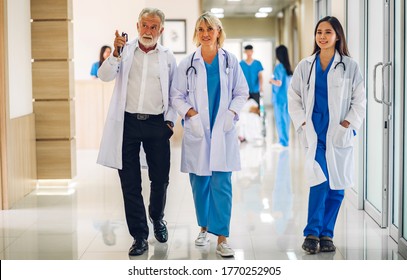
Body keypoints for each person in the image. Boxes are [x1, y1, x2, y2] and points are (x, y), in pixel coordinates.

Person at [97, 7, 178, 256]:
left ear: (161, 30)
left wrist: (169, 123)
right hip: (128, 124)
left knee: (160, 178)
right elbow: (104, 76)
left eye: (154, 27)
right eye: (145, 25)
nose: (148, 31)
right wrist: (116, 54)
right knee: (130, 183)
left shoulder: (167, 57)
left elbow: (174, 93)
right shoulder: (125, 51)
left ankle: (157, 218)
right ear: (137, 26)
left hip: (157, 124)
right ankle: (140, 236)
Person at [170, 12, 249, 257]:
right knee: (200, 183)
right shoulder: (188, 63)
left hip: (222, 129)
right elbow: (176, 96)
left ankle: (222, 237)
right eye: (201, 29)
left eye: (210, 29)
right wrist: (190, 114)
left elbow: (241, 91)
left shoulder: (230, 61)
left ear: (218, 32)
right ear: (197, 33)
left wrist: (231, 114)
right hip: (198, 129)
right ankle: (204, 228)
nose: (206, 34)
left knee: (222, 184)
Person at [288, 16, 366, 254]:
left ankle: (327, 234)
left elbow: (359, 99)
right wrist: (302, 123)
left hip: (337, 132)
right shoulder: (306, 65)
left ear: (337, 36)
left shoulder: (350, 66)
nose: (322, 36)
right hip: (314, 131)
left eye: (327, 32)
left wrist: (347, 124)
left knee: (337, 187)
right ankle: (312, 232)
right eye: (319, 32)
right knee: (319, 179)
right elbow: (294, 97)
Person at [269, 45, 293, 148]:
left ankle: (283, 142)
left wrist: (271, 81)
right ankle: (285, 140)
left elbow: (278, 83)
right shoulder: (288, 67)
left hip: (279, 98)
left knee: (280, 119)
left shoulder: (279, 67)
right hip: (287, 98)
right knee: (286, 120)